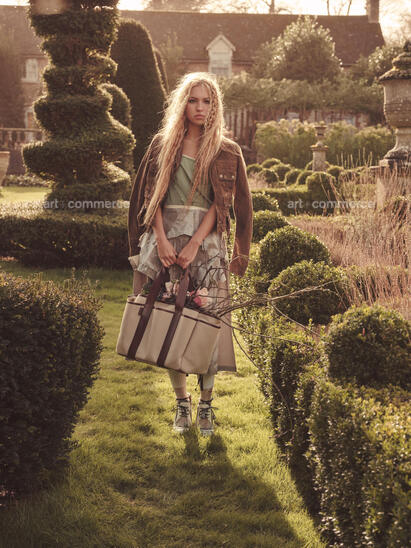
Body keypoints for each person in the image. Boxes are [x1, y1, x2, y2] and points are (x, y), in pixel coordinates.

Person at [127, 72, 253, 435]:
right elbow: (147, 198)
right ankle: (182, 403)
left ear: (215, 107)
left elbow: (227, 204)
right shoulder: (161, 145)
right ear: (183, 104)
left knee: (207, 322)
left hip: (206, 243)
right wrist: (161, 241)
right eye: (193, 100)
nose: (200, 108)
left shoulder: (227, 151)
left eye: (207, 101)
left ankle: (206, 406)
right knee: (171, 318)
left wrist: (200, 243)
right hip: (164, 240)